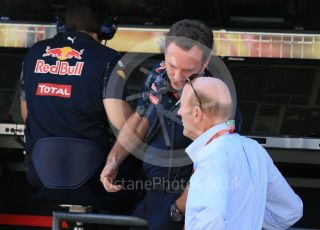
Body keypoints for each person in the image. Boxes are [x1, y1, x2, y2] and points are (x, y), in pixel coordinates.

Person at [100, 19, 241, 229]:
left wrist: (179, 208)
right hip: (154, 194)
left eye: (187, 70)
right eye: (172, 65)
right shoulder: (157, 73)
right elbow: (139, 120)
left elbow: (218, 162)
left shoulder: (217, 95)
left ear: (205, 63)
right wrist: (114, 160)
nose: (176, 76)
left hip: (192, 200)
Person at [20, 0, 139, 213]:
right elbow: (121, 122)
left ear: (62, 23)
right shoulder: (108, 58)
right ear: (106, 27)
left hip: (41, 173)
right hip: (94, 177)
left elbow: (25, 113)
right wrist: (143, 115)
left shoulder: (34, 53)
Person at [178, 76, 303, 229]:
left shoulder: (211, 154)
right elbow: (291, 210)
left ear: (197, 113)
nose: (179, 112)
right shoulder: (255, 149)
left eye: (181, 104)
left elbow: (212, 217)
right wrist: (247, 218)